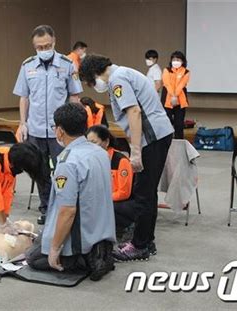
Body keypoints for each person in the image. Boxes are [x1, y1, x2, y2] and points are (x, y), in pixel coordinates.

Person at [79, 54, 173, 261]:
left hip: (152, 137)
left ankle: (139, 245)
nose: (94, 86)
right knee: (148, 192)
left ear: (95, 73)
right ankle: (145, 240)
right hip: (159, 134)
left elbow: (134, 112)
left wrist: (136, 151)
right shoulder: (124, 72)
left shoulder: (117, 79)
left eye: (90, 82)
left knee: (142, 193)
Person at [26, 103, 115, 281]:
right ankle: (99, 250)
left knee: (33, 258)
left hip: (81, 236)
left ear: (59, 131)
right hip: (101, 229)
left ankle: (85, 259)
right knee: (40, 241)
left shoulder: (68, 162)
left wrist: (54, 249)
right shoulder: (101, 152)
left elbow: (67, 211)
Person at [13, 25, 83, 225]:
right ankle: (46, 209)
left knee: (64, 171)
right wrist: (22, 123)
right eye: (39, 47)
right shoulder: (27, 66)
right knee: (40, 171)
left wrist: (73, 126)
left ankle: (65, 208)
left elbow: (74, 96)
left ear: (54, 42)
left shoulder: (67, 64)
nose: (43, 50)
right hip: (35, 129)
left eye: (47, 45)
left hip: (60, 131)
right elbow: (24, 97)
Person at [86, 125, 135, 238]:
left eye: (94, 142)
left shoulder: (121, 161)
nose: (90, 147)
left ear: (106, 142)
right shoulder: (90, 160)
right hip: (104, 198)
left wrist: (102, 197)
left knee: (104, 205)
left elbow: (124, 193)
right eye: (88, 143)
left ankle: (127, 226)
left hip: (124, 203)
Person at [161, 51, 190, 139]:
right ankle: (166, 142)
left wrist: (175, 96)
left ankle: (179, 143)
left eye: (178, 59)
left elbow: (181, 85)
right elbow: (167, 83)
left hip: (180, 100)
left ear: (182, 61)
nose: (175, 61)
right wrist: (172, 96)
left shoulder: (186, 72)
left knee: (179, 124)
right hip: (167, 99)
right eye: (174, 59)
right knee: (166, 123)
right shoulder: (166, 70)